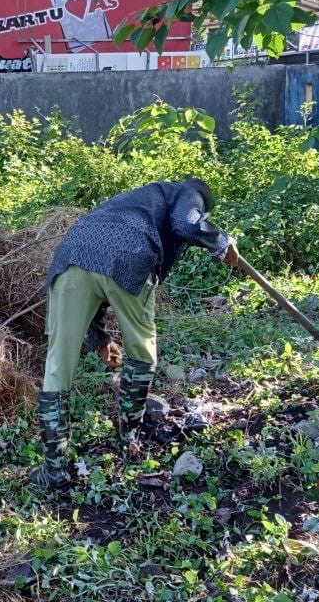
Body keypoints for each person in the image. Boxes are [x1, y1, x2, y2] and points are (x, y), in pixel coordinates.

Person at [31, 178, 239, 487]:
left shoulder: (136, 198)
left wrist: (99, 340)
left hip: (71, 257)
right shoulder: (189, 193)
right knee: (141, 351)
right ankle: (128, 434)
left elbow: (98, 264)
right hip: (129, 256)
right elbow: (186, 223)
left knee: (58, 365)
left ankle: (54, 470)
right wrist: (222, 241)